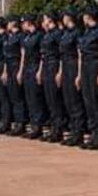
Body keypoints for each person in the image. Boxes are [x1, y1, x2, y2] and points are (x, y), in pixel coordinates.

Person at [78, 6, 98, 150]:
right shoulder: (87, 32)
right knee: (88, 101)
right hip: (85, 67)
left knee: (97, 103)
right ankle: (93, 133)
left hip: (95, 66)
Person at [58, 9, 86, 147]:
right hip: (66, 66)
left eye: (64, 16)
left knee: (75, 101)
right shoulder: (65, 34)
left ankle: (78, 133)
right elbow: (62, 55)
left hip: (75, 65)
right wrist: (60, 72)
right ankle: (73, 131)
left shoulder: (77, 33)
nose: (62, 19)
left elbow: (80, 54)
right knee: (68, 100)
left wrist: (79, 74)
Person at [39, 12, 67, 143]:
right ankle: (53, 128)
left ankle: (58, 129)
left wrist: (60, 72)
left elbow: (61, 54)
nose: (43, 22)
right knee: (49, 99)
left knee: (55, 100)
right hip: (46, 67)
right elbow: (43, 55)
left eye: (45, 19)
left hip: (54, 65)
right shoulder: (47, 34)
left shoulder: (57, 34)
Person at [19, 15, 47, 139]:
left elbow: (42, 56)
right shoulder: (27, 37)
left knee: (36, 98)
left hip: (35, 67)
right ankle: (32, 124)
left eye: (23, 23)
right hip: (27, 69)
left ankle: (38, 126)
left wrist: (40, 71)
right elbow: (23, 55)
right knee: (29, 97)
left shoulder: (39, 36)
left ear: (29, 22)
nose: (22, 25)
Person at [1, 16, 26, 136]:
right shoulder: (9, 37)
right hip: (9, 67)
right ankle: (15, 123)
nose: (7, 25)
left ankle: (20, 123)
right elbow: (6, 57)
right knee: (12, 96)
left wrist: (20, 71)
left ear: (13, 23)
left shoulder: (20, 36)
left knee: (17, 97)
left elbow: (23, 55)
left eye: (8, 23)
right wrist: (5, 71)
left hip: (16, 67)